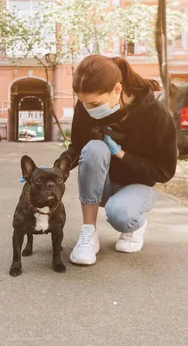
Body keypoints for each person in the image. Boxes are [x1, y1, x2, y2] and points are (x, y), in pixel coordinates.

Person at [55, 54, 177, 265]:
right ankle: (89, 233)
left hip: (138, 185)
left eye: (94, 103)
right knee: (93, 148)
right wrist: (56, 170)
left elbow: (164, 171)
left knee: (120, 214)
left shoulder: (157, 115)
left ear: (117, 90)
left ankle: (135, 225)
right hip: (102, 185)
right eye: (83, 104)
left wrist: (121, 153)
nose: (89, 110)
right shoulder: (87, 106)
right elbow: (77, 146)